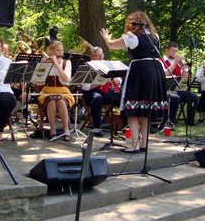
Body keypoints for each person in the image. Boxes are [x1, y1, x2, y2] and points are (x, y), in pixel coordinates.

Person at [100, 11, 168, 154]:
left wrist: (106, 38)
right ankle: (144, 144)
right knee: (145, 110)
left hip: (140, 71)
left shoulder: (132, 37)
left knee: (133, 109)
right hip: (155, 70)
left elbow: (112, 45)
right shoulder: (155, 37)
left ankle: (134, 145)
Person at [37, 40, 74, 141]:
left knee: (61, 101)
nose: (61, 53)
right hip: (47, 91)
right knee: (52, 101)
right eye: (58, 50)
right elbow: (38, 82)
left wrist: (57, 66)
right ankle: (52, 129)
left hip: (63, 91)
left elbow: (67, 80)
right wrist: (44, 66)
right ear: (52, 51)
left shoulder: (66, 63)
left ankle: (66, 128)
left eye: (62, 50)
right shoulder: (45, 62)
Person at [81, 46, 121, 136]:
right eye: (98, 56)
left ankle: (127, 125)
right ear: (91, 56)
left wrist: (111, 76)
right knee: (97, 98)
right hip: (93, 93)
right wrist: (100, 82)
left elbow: (118, 83)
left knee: (125, 96)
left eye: (101, 55)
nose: (101, 58)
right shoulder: (87, 67)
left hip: (109, 93)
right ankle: (97, 127)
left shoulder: (108, 65)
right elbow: (84, 86)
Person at [162, 41, 198, 126]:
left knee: (193, 96)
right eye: (172, 50)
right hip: (167, 90)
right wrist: (175, 63)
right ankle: (170, 122)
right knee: (175, 98)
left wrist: (186, 68)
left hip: (178, 89)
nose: (175, 53)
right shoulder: (162, 61)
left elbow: (185, 78)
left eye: (176, 51)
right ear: (167, 50)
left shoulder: (180, 63)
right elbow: (165, 74)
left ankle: (190, 121)